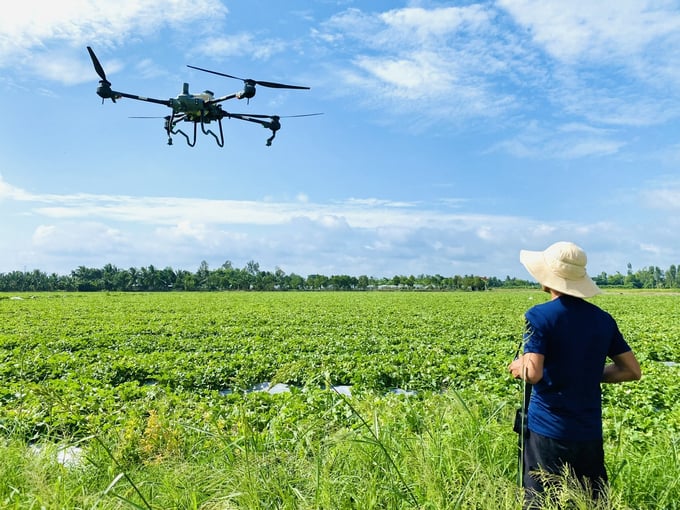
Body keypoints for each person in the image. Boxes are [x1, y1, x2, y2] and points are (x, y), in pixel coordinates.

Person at [508, 241, 641, 508]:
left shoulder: (539, 316)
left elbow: (532, 373)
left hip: (548, 432)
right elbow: (631, 370)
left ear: (549, 278)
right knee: (588, 502)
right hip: (588, 433)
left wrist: (518, 365)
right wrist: (587, 373)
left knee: (542, 502)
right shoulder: (603, 319)